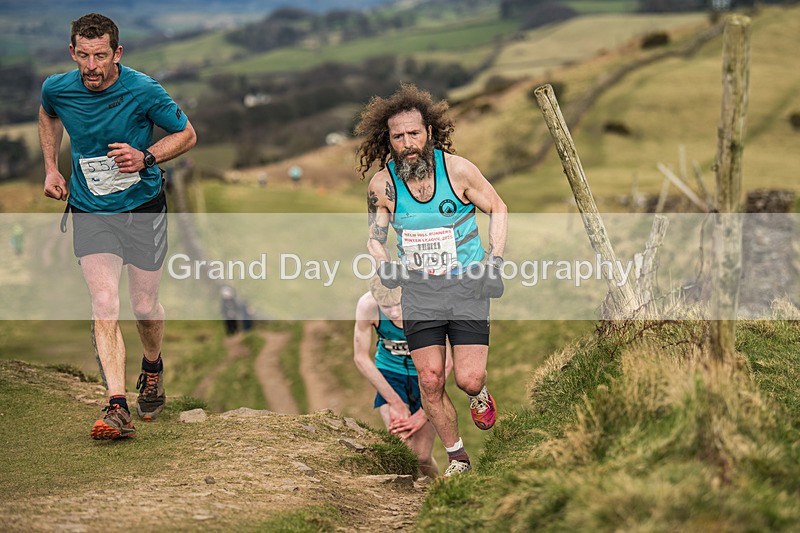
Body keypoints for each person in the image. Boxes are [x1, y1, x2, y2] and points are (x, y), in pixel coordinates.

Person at [39, 13, 197, 440]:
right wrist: (52, 167)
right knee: (104, 302)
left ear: (117, 54)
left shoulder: (142, 89)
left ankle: (152, 366)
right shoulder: (57, 87)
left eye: (101, 56)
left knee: (144, 307)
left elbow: (186, 134)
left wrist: (145, 157)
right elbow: (48, 114)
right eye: (84, 56)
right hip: (90, 210)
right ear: (73, 52)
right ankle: (116, 404)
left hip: (143, 207)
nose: (92, 66)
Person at [355, 83, 508, 477]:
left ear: (430, 133)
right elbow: (375, 237)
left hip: (468, 284)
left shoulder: (457, 170)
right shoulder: (383, 185)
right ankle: (458, 458)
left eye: (414, 133)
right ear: (388, 141)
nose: (407, 144)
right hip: (419, 291)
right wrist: (385, 263)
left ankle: (479, 394)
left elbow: (498, 207)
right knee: (431, 379)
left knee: (468, 379)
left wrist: (495, 260)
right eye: (398, 136)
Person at [354, 277, 451, 478]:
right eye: (387, 307)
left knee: (422, 458)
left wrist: (423, 414)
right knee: (403, 448)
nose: (395, 311)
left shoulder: (429, 305)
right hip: (390, 376)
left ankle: (438, 493)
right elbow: (361, 358)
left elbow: (447, 361)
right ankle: (407, 501)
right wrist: (395, 402)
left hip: (425, 375)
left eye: (399, 303)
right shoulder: (367, 306)